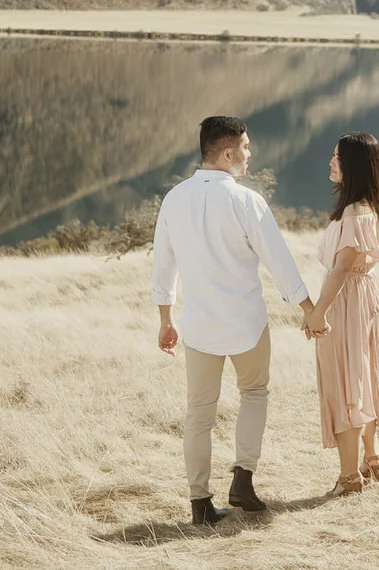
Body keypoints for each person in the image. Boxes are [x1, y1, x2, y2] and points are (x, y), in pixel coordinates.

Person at [152, 115, 325, 525]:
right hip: (246, 323)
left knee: (199, 413)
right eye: (246, 148)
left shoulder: (174, 199)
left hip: (199, 327)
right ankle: (243, 479)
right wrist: (309, 310)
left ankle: (200, 504)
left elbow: (163, 265)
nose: (250, 154)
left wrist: (165, 319)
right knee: (254, 393)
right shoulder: (247, 201)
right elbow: (279, 262)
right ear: (228, 153)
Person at [303, 132, 379, 496]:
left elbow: (341, 268)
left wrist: (318, 312)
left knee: (346, 383)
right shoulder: (371, 207)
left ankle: (349, 476)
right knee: (363, 377)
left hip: (347, 301)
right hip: (366, 296)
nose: (330, 161)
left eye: (337, 157)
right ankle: (371, 458)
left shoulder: (354, 214)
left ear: (353, 165)